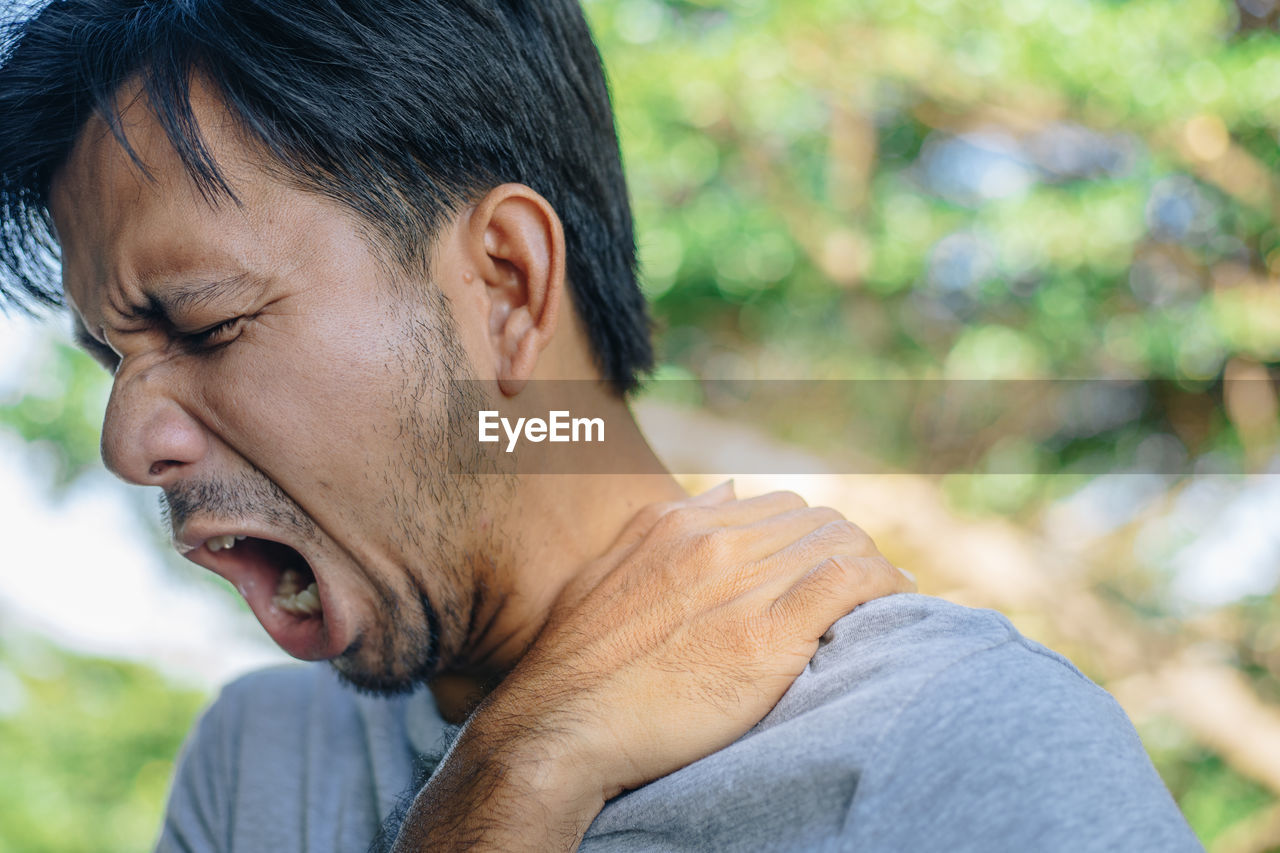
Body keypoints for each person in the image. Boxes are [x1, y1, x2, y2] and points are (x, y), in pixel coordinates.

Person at [0, 1, 1202, 851]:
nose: (126, 441)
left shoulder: (958, 744)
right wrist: (514, 777)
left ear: (507, 285)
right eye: (112, 356)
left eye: (206, 326)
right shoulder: (258, 765)